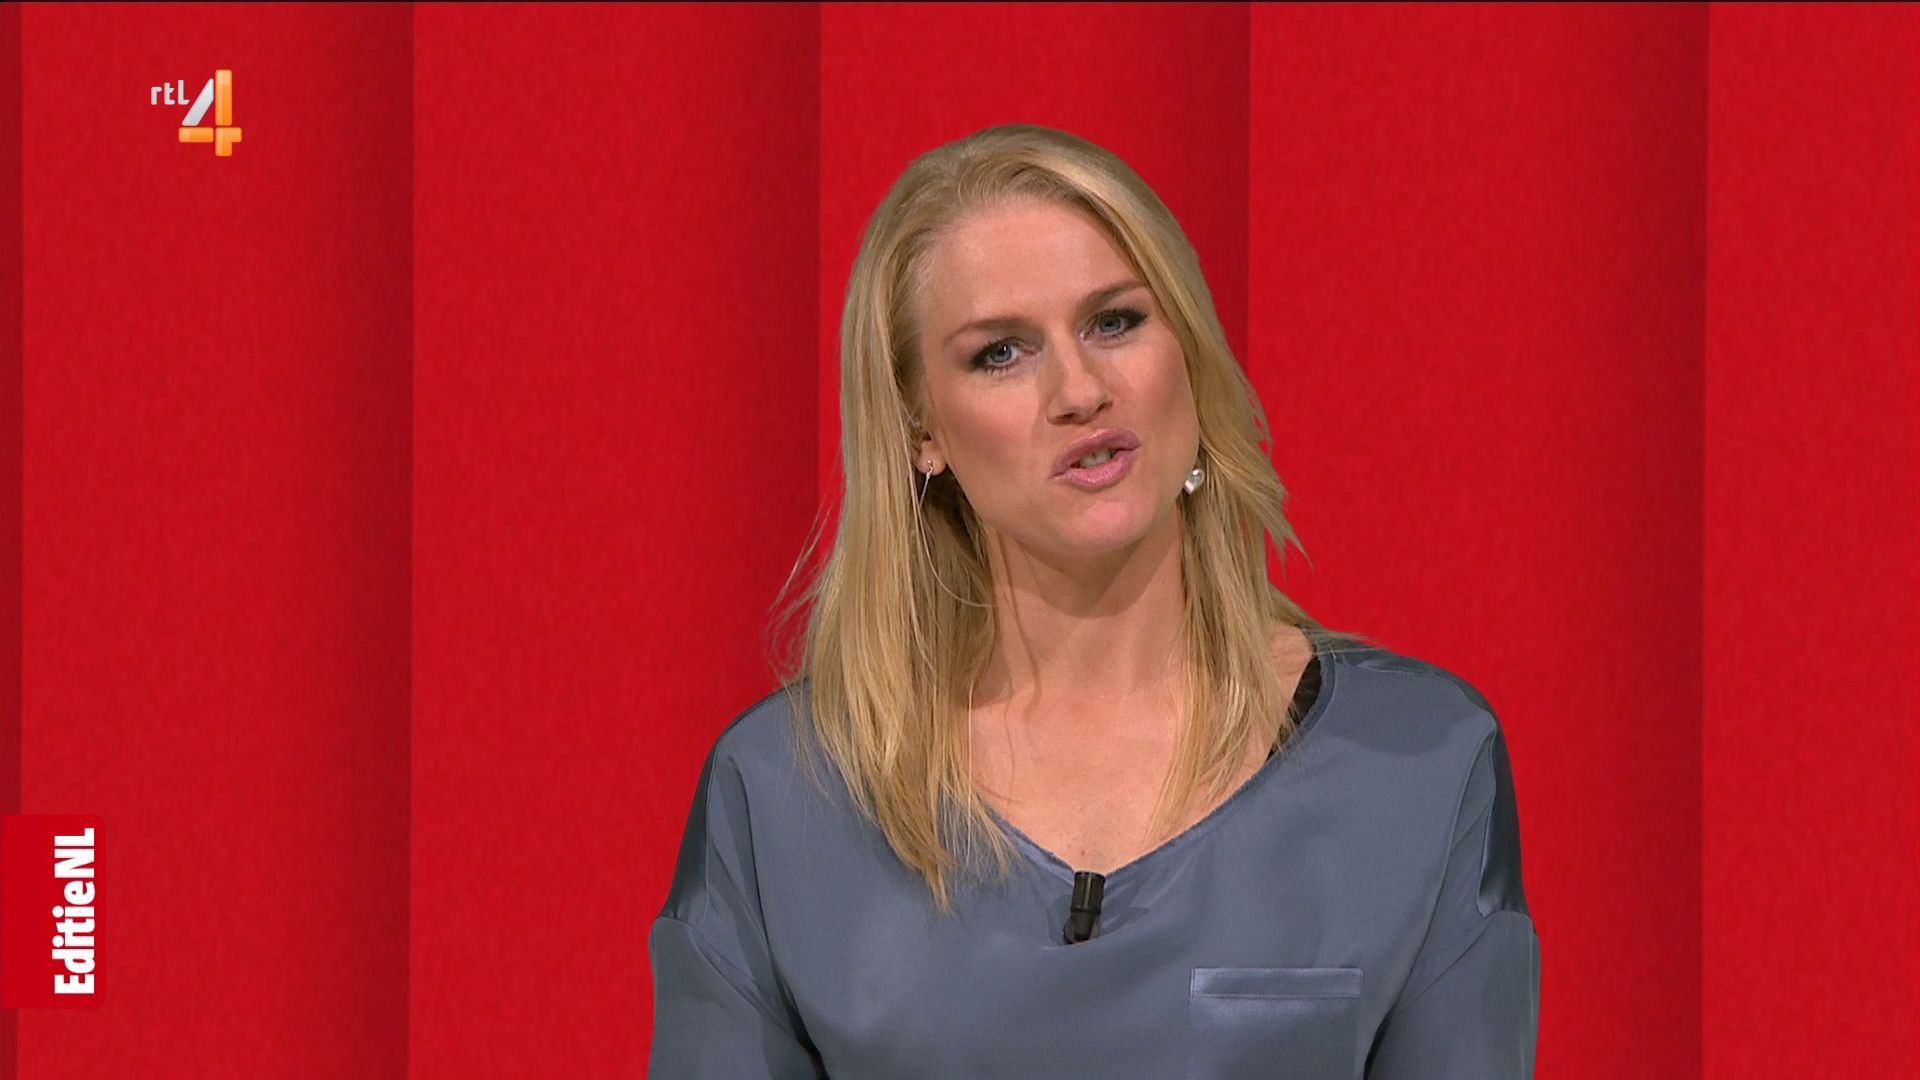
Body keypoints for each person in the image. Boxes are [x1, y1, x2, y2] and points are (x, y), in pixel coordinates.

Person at [647, 123, 1539, 1078]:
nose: (1079, 391)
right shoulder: (782, 795)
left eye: (1114, 322)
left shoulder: (1417, 762)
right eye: (1001, 353)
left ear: (1187, 352)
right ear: (920, 431)